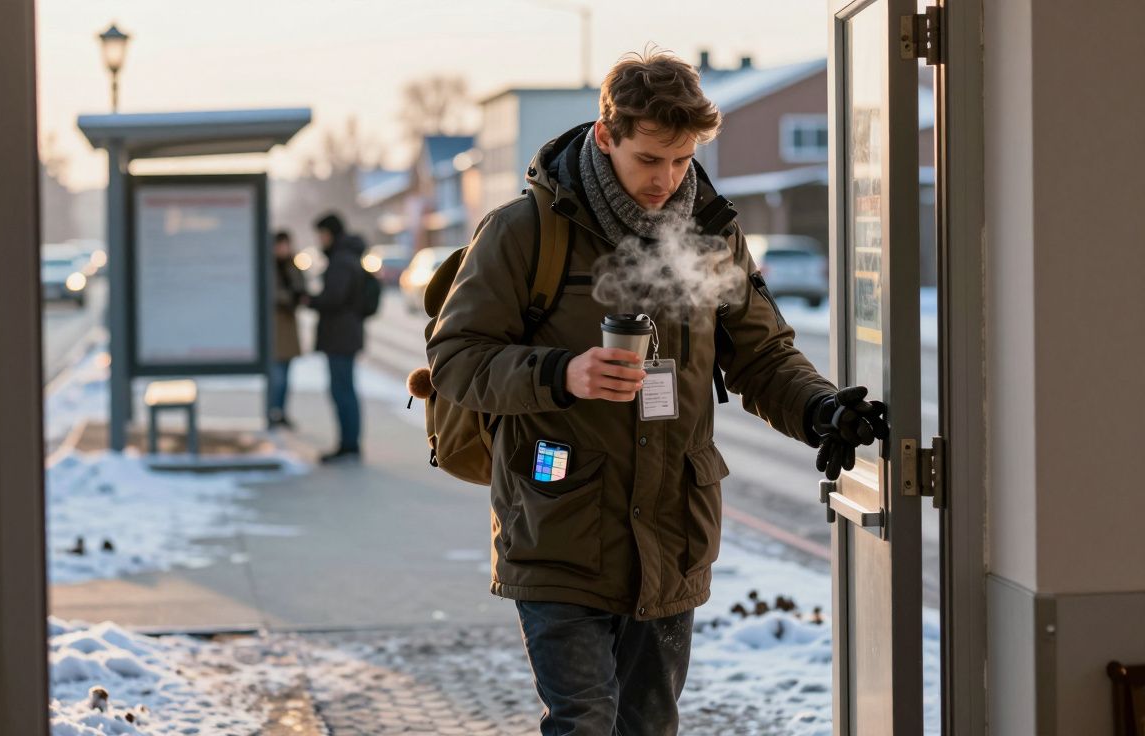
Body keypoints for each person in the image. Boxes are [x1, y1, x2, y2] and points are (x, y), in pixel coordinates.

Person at [426, 50, 887, 735]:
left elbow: (761, 355)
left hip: (671, 534)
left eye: (682, 159)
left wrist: (818, 409)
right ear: (605, 135)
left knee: (649, 726)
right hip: (558, 526)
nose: (667, 180)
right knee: (583, 722)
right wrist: (561, 373)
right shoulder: (524, 231)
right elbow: (456, 359)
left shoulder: (711, 233)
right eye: (649, 159)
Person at [306, 212, 367, 463]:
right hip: (346, 333)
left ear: (330, 233)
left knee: (342, 391)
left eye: (321, 234)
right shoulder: (348, 256)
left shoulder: (341, 260)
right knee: (345, 389)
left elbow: (334, 297)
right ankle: (349, 443)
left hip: (340, 335)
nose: (319, 239)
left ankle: (348, 445)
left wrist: (310, 300)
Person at [270, 230, 305, 429]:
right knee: (277, 376)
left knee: (285, 375)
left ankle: (281, 411)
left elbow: (301, 286)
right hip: (276, 327)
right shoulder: (269, 266)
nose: (283, 249)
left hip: (288, 326)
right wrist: (289, 298)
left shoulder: (292, 265)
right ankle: (274, 411)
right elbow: (272, 293)